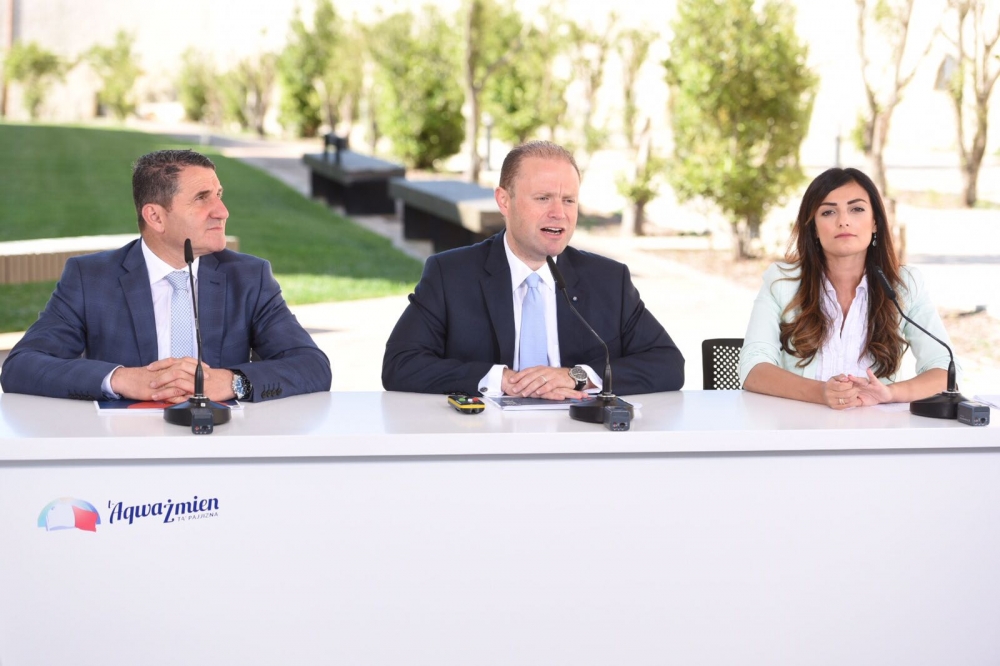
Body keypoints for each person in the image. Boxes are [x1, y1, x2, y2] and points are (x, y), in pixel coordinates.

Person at [0, 149, 331, 403]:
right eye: (202, 198)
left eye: (219, 195)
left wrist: (232, 381)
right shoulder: (91, 278)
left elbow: (312, 366)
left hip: (223, 453)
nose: (222, 211)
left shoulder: (249, 277)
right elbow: (21, 366)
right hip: (125, 455)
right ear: (155, 216)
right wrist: (121, 379)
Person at [382, 140, 685, 399]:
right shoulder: (451, 274)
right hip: (483, 446)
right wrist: (500, 380)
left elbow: (668, 363)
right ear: (504, 200)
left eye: (569, 200)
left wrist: (577, 376)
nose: (559, 213)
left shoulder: (608, 280)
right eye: (543, 198)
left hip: (582, 446)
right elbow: (400, 364)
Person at [738, 167, 955, 410]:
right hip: (798, 430)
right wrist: (821, 393)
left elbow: (945, 369)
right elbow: (752, 368)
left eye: (857, 209)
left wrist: (888, 393)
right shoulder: (781, 282)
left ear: (875, 223)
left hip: (875, 433)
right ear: (814, 228)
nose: (843, 221)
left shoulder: (905, 284)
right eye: (828, 212)